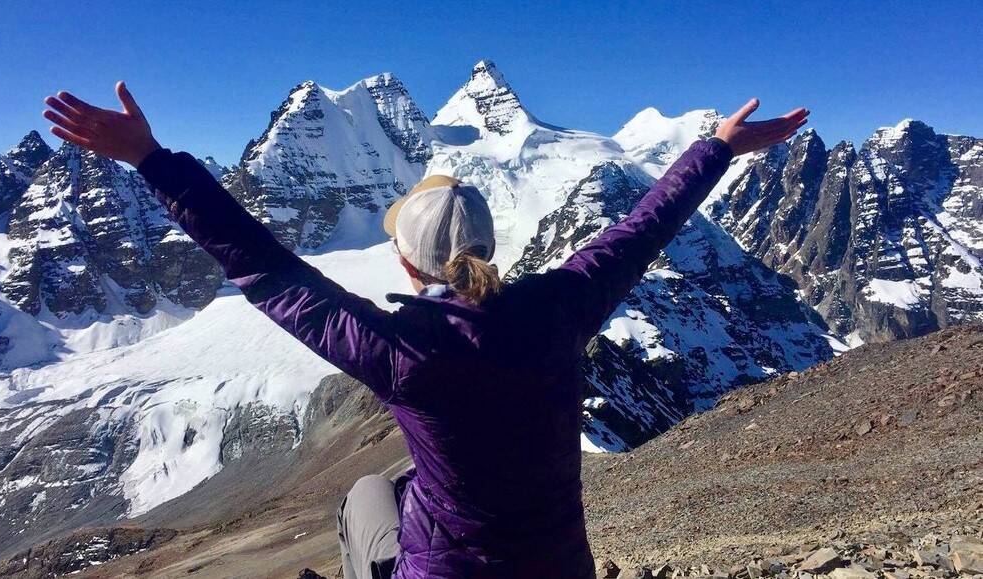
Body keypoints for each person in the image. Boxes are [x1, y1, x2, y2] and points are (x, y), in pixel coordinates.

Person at [43, 82, 808, 579]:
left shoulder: (401, 350)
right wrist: (716, 148)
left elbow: (267, 270)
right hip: (560, 570)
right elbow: (645, 227)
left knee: (370, 493)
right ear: (490, 248)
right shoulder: (562, 305)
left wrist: (150, 158)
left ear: (409, 266)